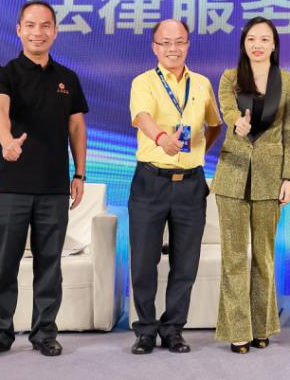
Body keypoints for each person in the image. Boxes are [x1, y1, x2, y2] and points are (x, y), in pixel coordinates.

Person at [0, 0, 88, 360]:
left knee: (49, 266)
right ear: (19, 30)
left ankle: (44, 333)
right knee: (4, 265)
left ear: (55, 31)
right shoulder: (4, 73)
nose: (38, 32)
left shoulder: (67, 79)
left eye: (45, 26)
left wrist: (80, 173)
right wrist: (6, 140)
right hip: (10, 186)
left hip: (53, 188)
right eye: (30, 25)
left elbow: (76, 128)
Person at [128, 19, 222, 354]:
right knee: (143, 261)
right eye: (165, 43)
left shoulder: (202, 84)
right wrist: (161, 138)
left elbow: (214, 125)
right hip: (150, 181)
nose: (173, 49)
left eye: (179, 42)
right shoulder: (143, 82)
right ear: (155, 47)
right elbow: (142, 117)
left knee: (186, 262)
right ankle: (145, 330)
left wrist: (197, 152)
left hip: (190, 185)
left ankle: (173, 329)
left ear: (188, 45)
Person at [214, 17, 290, 353]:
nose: (258, 45)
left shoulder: (287, 81)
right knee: (234, 256)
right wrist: (237, 122)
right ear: (244, 43)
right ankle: (238, 329)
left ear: (274, 44)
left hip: (270, 178)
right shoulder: (230, 77)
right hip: (232, 176)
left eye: (264, 39)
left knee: (264, 256)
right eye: (252, 39)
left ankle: (262, 326)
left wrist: (289, 177)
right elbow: (227, 110)